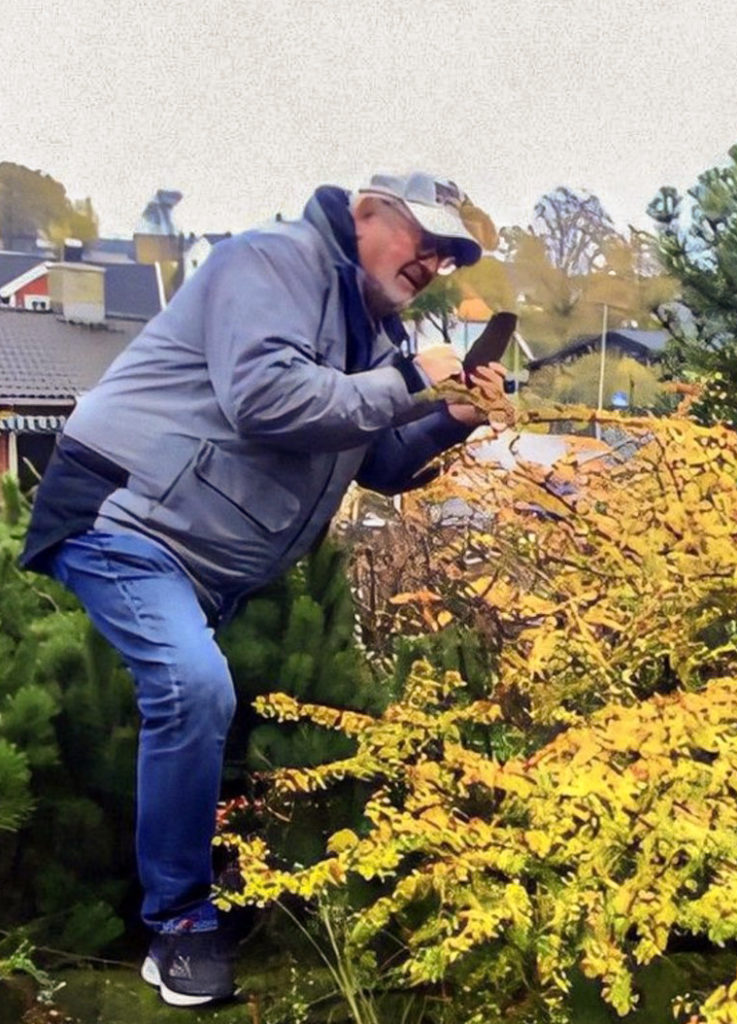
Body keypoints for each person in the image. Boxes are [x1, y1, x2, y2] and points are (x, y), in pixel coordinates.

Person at [20, 171, 507, 1007]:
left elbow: (377, 461)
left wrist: (453, 416)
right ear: (364, 214)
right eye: (421, 237)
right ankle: (177, 924)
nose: (433, 259)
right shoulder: (275, 262)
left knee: (202, 695)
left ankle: (201, 884)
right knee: (193, 683)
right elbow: (267, 401)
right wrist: (409, 380)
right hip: (121, 516)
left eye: (449, 253)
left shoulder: (364, 331)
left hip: (197, 560)